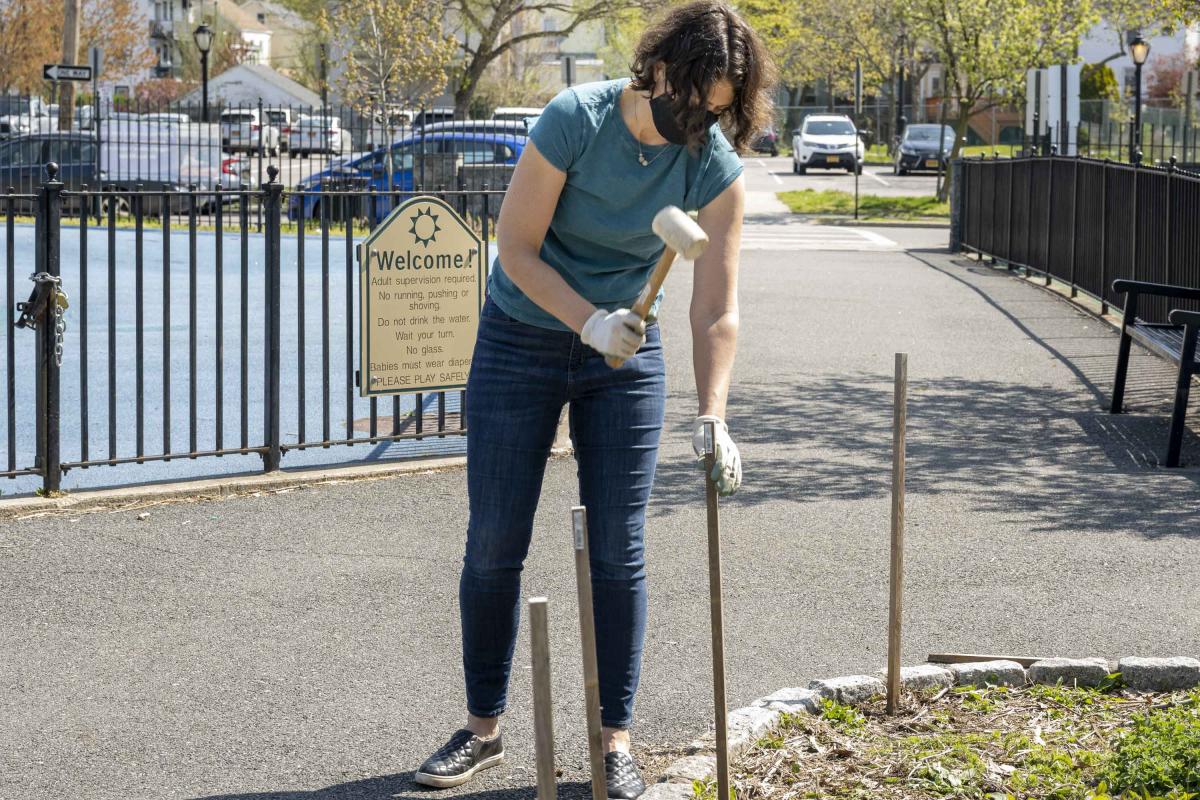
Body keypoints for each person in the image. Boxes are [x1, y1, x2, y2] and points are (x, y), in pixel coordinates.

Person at [414, 2, 775, 797]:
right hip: (523, 336)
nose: (697, 125)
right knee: (494, 540)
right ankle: (482, 731)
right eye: (689, 104)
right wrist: (588, 319)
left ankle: (615, 738)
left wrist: (714, 414)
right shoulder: (574, 118)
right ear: (655, 71)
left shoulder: (711, 165)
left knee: (618, 548)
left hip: (626, 357)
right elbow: (515, 247)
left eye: (715, 113)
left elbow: (716, 307)